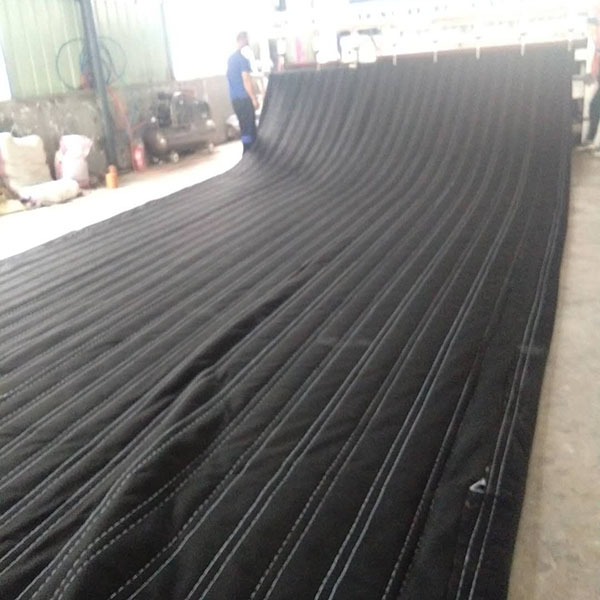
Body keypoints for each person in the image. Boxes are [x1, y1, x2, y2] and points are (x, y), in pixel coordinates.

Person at [227, 32, 259, 153]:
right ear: (242, 40)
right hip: (244, 98)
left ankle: (246, 152)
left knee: (243, 126)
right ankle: (251, 152)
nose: (248, 43)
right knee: (249, 127)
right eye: (247, 40)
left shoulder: (231, 59)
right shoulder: (242, 60)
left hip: (234, 99)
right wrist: (254, 99)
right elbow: (246, 80)